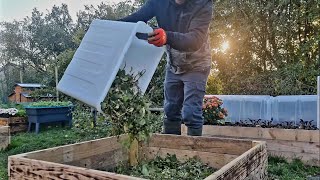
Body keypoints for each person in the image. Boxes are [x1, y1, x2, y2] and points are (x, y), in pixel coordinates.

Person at [119, 0, 214, 136]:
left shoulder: (202, 4)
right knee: (170, 110)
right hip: (174, 64)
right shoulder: (158, 2)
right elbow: (137, 18)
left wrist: (167, 37)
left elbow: (195, 40)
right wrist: (111, 26)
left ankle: (194, 154)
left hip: (197, 64)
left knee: (191, 113)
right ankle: (171, 151)